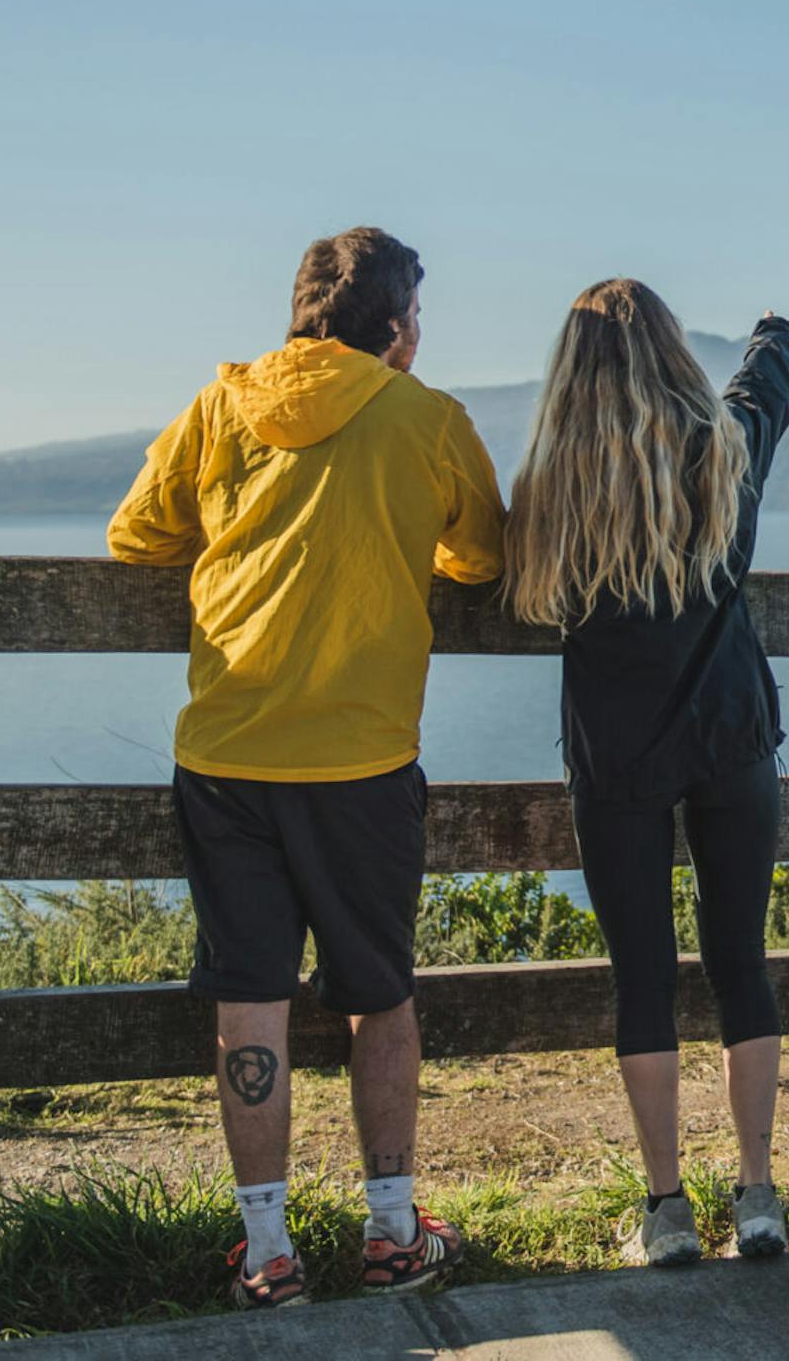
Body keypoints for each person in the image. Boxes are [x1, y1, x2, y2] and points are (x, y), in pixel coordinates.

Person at [108, 227, 505, 1310]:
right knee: (380, 999)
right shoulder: (426, 420)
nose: (420, 334)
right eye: (416, 316)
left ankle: (268, 1251)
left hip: (227, 752)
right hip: (363, 760)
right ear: (393, 328)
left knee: (251, 1001)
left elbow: (135, 536)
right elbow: (482, 557)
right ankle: (389, 1235)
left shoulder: (220, 405)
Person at [503, 281, 789, 1267]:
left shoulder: (554, 488)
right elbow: (763, 393)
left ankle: (667, 1209)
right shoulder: (725, 452)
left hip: (617, 756)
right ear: (674, 352)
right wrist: (773, 335)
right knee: (740, 962)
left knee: (644, 976)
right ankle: (758, 1197)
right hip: (731, 737)